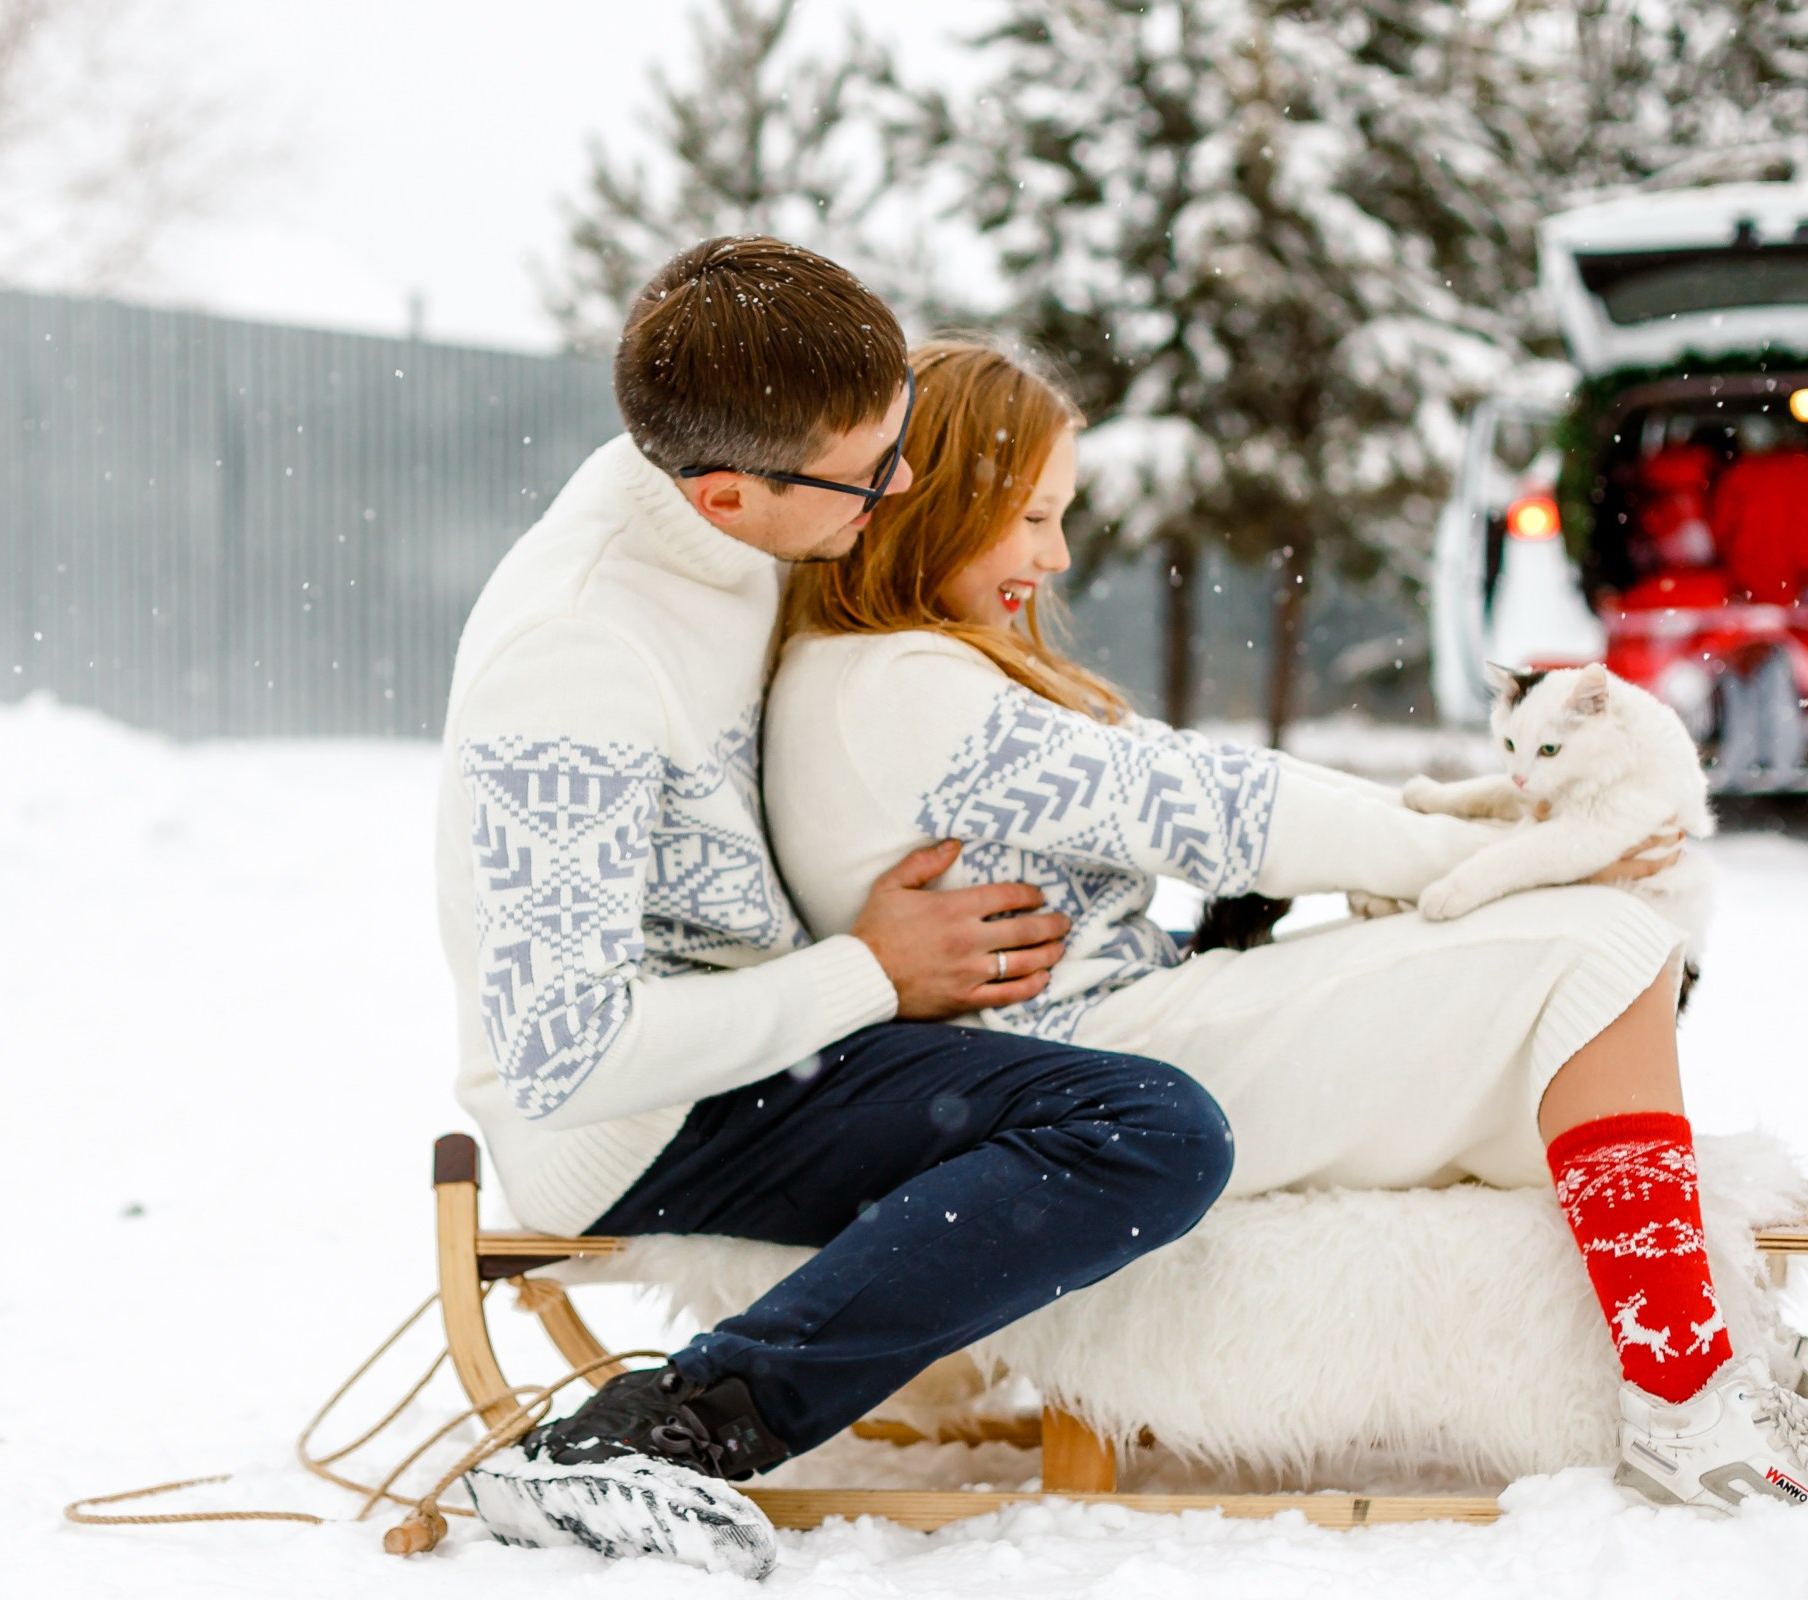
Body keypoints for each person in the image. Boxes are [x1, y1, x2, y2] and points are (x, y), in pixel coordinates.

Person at [764, 339, 1808, 1543]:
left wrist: (1491, 842)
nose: (1057, 554)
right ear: (941, 501)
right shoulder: (899, 685)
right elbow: (1221, 805)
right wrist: (1515, 851)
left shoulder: (892, 672)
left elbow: (1188, 792)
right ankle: (1689, 1407)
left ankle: (1702, 1324)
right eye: (1031, 515)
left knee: (1562, 956)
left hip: (1108, 1042)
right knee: (1591, 941)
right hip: (1091, 1080)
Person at [433, 241, 1236, 1577]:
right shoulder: (572, 660)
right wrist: (873, 972)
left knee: (1145, 1070)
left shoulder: (743, 518)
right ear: (731, 490)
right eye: (873, 473)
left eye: (899, 442)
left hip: (767, 1027)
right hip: (633, 1120)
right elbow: (565, 1055)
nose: (905, 485)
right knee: (1147, 1133)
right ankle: (660, 1431)